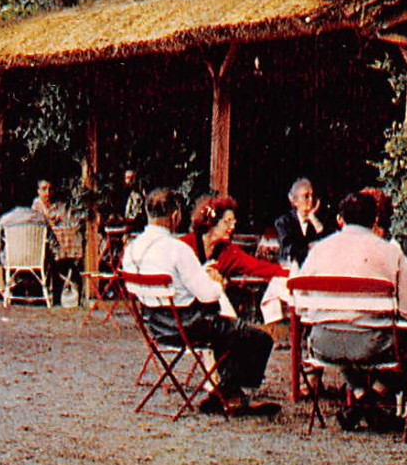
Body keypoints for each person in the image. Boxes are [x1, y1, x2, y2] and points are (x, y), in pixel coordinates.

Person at [122, 188, 279, 418]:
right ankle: (228, 392)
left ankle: (225, 392)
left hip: (155, 325)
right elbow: (208, 295)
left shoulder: (132, 249)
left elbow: (131, 288)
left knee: (228, 330)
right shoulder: (178, 249)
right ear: (175, 216)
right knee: (257, 337)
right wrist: (219, 285)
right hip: (188, 325)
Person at [295, 191, 407, 432]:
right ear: (375, 220)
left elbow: (301, 305)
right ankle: (373, 399)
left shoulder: (319, 250)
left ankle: (361, 400)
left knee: (344, 329)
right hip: (371, 344)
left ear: (340, 219)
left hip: (324, 344)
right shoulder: (390, 252)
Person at [187, 194, 286, 324]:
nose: (232, 227)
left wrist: (295, 273)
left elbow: (258, 267)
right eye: (227, 222)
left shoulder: (229, 252)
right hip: (184, 307)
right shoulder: (186, 244)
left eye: (233, 222)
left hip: (210, 311)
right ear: (211, 223)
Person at [274, 178, 329, 268]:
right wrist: (309, 248)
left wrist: (314, 221)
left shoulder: (319, 222)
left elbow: (328, 245)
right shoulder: (284, 222)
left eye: (312, 196)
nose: (311, 200)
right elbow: (288, 248)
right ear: (295, 201)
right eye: (306, 196)